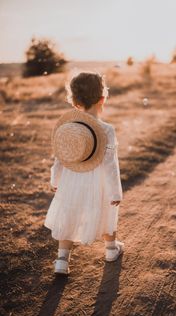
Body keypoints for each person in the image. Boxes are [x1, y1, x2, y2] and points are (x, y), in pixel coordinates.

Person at [44, 72, 124, 275]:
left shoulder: (68, 126)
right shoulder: (106, 130)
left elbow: (60, 156)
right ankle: (111, 249)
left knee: (68, 214)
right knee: (107, 212)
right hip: (99, 183)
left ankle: (62, 259)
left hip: (71, 180)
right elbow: (110, 165)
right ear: (102, 99)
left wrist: (56, 179)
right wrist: (115, 192)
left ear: (75, 101)